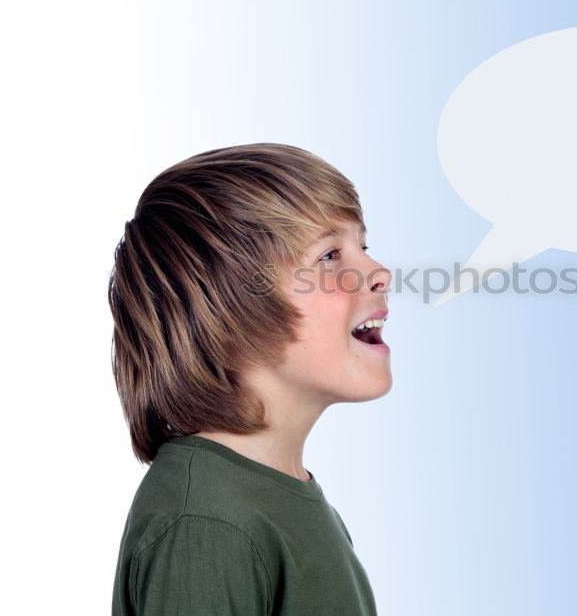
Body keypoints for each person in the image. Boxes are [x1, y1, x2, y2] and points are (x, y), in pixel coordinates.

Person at [108, 143, 392, 615]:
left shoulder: (278, 496)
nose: (378, 272)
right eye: (329, 255)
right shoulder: (207, 520)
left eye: (363, 246)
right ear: (231, 306)